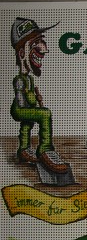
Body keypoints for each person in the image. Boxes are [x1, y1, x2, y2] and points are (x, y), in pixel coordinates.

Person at [10, 17, 69, 173]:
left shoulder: (28, 79)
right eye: (36, 42)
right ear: (22, 53)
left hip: (24, 107)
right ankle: (45, 149)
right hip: (18, 109)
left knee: (27, 123)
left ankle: (24, 149)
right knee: (45, 114)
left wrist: (35, 100)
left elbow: (28, 101)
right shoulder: (20, 80)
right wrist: (34, 102)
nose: (44, 48)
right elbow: (21, 103)